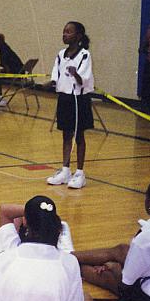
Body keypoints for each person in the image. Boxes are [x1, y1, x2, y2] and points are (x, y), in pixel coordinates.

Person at [46, 22, 94, 189]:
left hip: (79, 100)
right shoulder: (61, 54)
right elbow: (56, 73)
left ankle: (80, 173)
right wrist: (51, 82)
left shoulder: (85, 55)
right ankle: (66, 170)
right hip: (64, 99)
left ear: (78, 36)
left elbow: (84, 79)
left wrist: (76, 74)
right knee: (66, 135)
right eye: (64, 31)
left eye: (68, 32)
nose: (64, 34)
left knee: (79, 136)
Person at [0, 33, 24, 107]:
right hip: (18, 71)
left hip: (16, 74)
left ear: (1, 40)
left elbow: (7, 68)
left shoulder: (4, 50)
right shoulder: (4, 47)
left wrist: (0, 72)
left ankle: (0, 98)